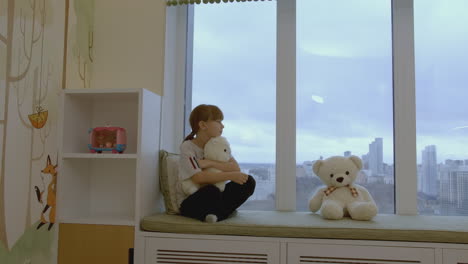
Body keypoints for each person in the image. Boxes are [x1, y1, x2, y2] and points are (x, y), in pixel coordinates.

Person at [177, 104, 256, 222]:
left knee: (248, 181)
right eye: (218, 121)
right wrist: (230, 175)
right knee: (211, 191)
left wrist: (209, 162)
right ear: (203, 125)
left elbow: (235, 167)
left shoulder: (218, 144)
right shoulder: (188, 147)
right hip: (192, 201)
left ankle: (215, 214)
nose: (222, 126)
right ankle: (222, 213)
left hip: (216, 196)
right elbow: (198, 178)